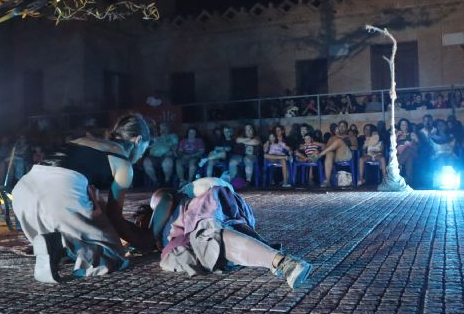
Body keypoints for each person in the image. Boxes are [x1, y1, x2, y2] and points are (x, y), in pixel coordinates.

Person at [12, 114, 153, 282]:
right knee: (111, 253)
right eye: (144, 150)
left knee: (80, 229)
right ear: (138, 140)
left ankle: (54, 245)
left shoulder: (84, 141)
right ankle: (57, 245)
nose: (141, 156)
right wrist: (145, 242)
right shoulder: (123, 163)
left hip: (24, 191)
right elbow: (115, 218)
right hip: (60, 190)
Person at [151, 177, 312, 289]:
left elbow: (164, 200)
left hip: (210, 201)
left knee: (209, 237)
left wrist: (153, 235)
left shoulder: (176, 197)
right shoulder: (185, 203)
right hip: (233, 204)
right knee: (222, 242)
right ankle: (280, 261)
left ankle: (283, 262)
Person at [317, 120, 358, 188]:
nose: (342, 128)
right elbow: (327, 147)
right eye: (340, 126)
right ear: (338, 127)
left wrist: (347, 144)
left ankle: (320, 155)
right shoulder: (332, 137)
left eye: (344, 126)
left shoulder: (351, 137)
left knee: (339, 141)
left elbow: (356, 148)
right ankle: (327, 181)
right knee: (329, 153)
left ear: (347, 128)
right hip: (335, 157)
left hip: (346, 155)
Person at [143, 122, 178, 187]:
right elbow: (146, 145)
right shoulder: (155, 138)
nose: (163, 130)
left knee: (167, 162)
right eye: (161, 129)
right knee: (146, 162)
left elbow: (175, 147)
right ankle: (155, 182)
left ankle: (167, 182)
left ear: (168, 129)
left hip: (166, 156)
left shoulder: (172, 136)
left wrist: (171, 150)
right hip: (153, 156)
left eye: (165, 128)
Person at [395, 118, 418, 184]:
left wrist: (414, 139)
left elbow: (418, 145)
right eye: (402, 125)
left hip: (414, 153)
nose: (403, 126)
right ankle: (408, 180)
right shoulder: (397, 135)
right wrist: (397, 135)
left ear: (408, 126)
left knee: (409, 149)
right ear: (399, 126)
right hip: (401, 154)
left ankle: (399, 164)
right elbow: (393, 145)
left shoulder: (411, 134)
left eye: (405, 125)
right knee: (409, 157)